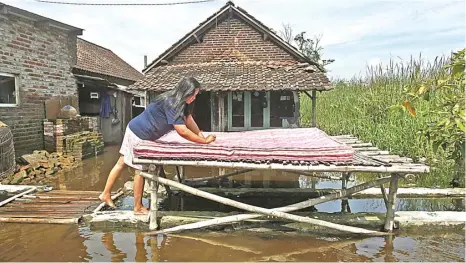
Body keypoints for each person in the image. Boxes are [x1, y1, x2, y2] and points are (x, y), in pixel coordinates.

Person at [99, 77, 216, 214]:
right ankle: (137, 207)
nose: (194, 98)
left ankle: (105, 194)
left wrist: (200, 135)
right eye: (193, 95)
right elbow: (182, 131)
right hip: (139, 133)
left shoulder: (181, 102)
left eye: (196, 95)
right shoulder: (172, 103)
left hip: (136, 129)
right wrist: (203, 141)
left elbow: (188, 120)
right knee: (140, 171)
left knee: (121, 162)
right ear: (186, 92)